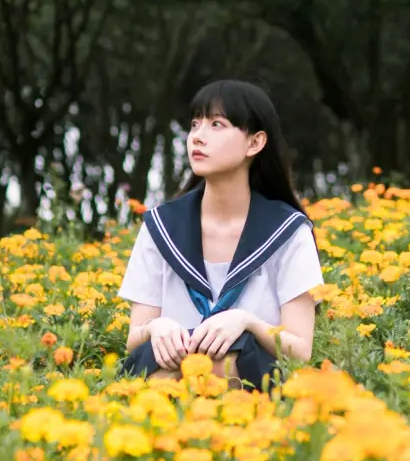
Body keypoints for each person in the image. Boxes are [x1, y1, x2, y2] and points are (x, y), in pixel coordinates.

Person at [120, 79, 322, 389]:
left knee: (226, 356)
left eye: (217, 124)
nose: (197, 137)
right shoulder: (161, 227)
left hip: (255, 393)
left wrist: (246, 322)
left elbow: (300, 349)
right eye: (195, 124)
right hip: (167, 381)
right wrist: (155, 328)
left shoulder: (288, 231)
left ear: (255, 143)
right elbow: (135, 340)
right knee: (166, 362)